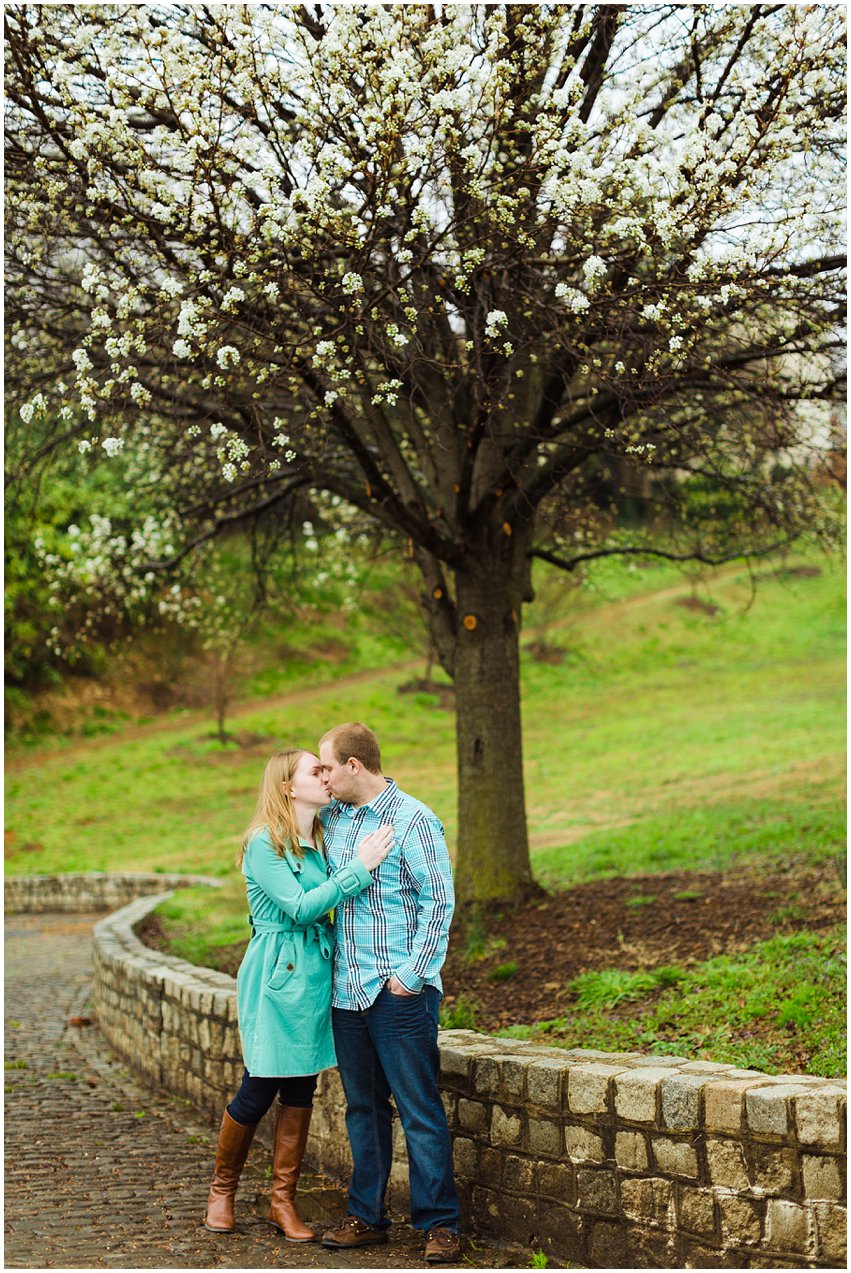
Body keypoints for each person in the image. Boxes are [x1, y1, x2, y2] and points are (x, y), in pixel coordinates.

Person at [204, 747, 394, 1241]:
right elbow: (300, 908)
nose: (326, 776)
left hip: (316, 972)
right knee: (259, 1084)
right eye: (316, 771)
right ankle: (221, 1191)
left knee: (301, 1087)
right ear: (289, 787)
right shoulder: (265, 843)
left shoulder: (325, 829)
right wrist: (360, 868)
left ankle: (281, 1203)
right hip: (276, 973)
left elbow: (369, 794)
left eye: (326, 768)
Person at [317, 722, 461, 1266]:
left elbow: (438, 903)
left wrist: (411, 975)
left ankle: (440, 1225)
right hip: (347, 991)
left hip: (398, 992)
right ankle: (367, 1217)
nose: (324, 777)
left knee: (419, 1109)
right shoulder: (333, 821)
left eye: (328, 767)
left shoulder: (414, 820)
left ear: (355, 765)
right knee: (362, 1109)